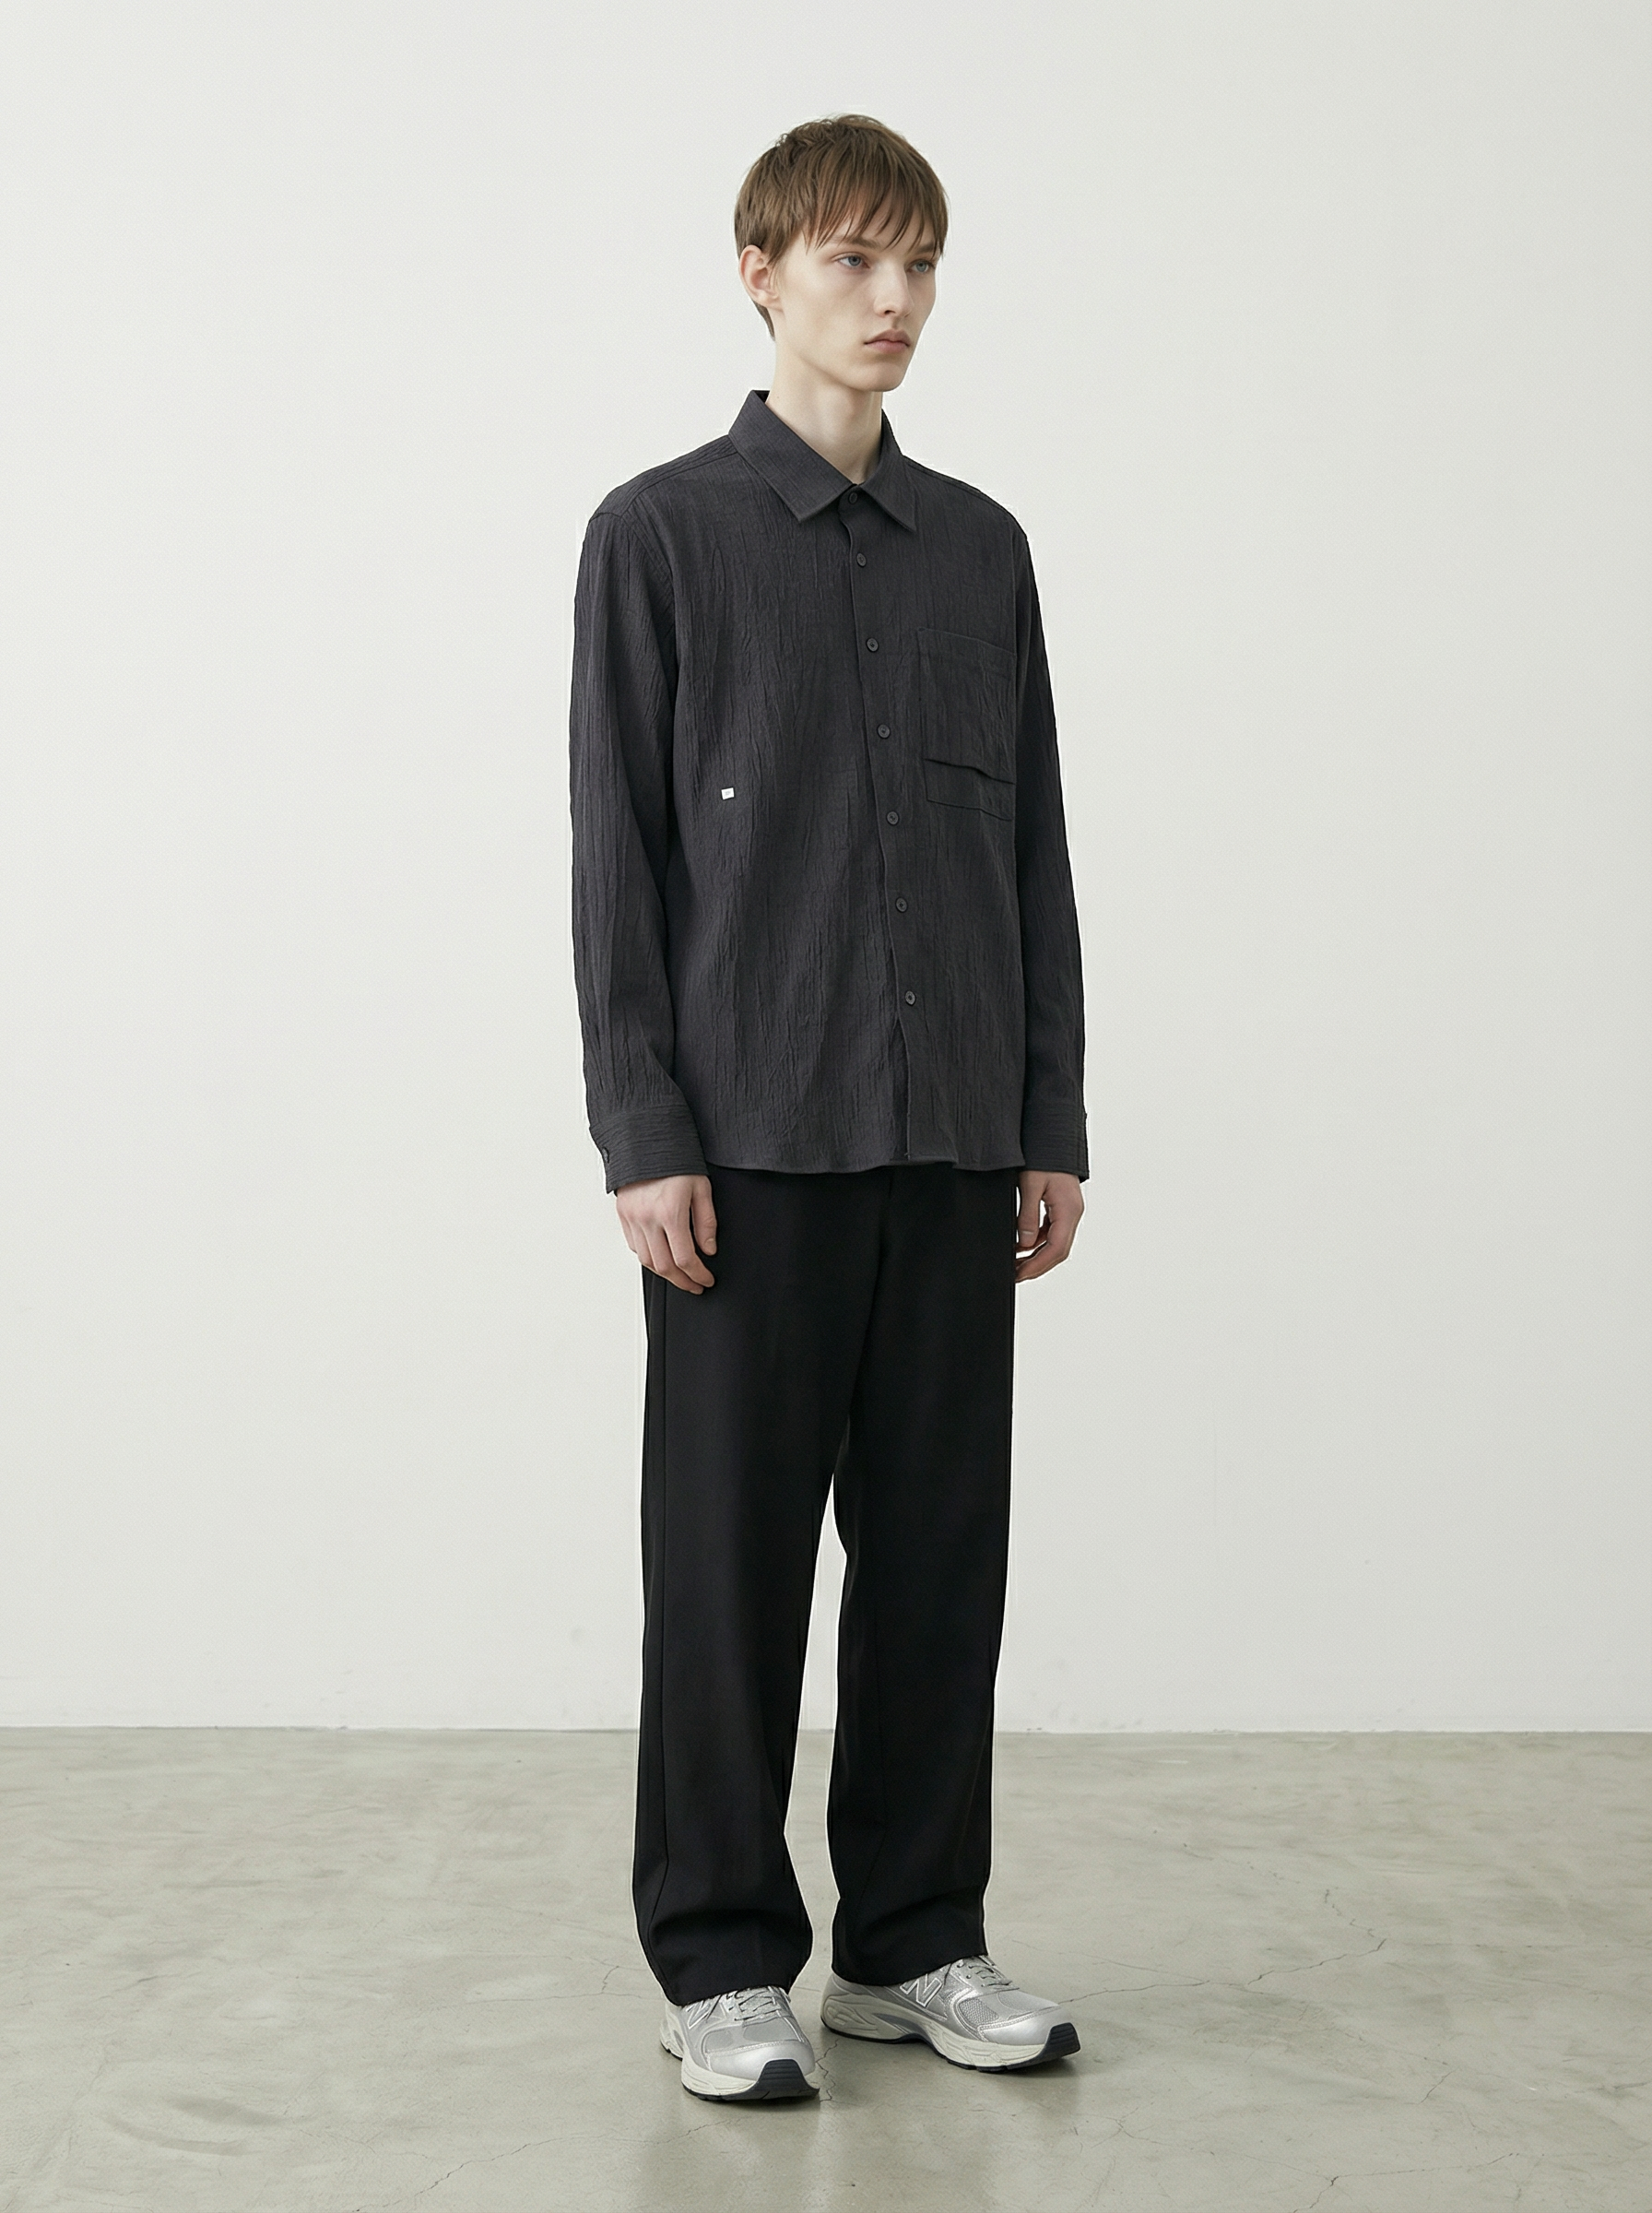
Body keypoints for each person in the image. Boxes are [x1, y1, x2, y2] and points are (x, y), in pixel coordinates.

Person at [569, 113, 1088, 2103]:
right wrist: (641, 1130)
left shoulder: (981, 552)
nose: (893, 300)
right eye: (854, 261)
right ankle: (719, 1960)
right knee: (726, 1574)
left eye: (917, 264)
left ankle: (912, 1941)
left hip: (950, 1143)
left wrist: (1046, 1113)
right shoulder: (657, 537)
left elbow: (1030, 854)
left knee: (941, 1560)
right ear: (760, 272)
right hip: (745, 1149)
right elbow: (616, 858)